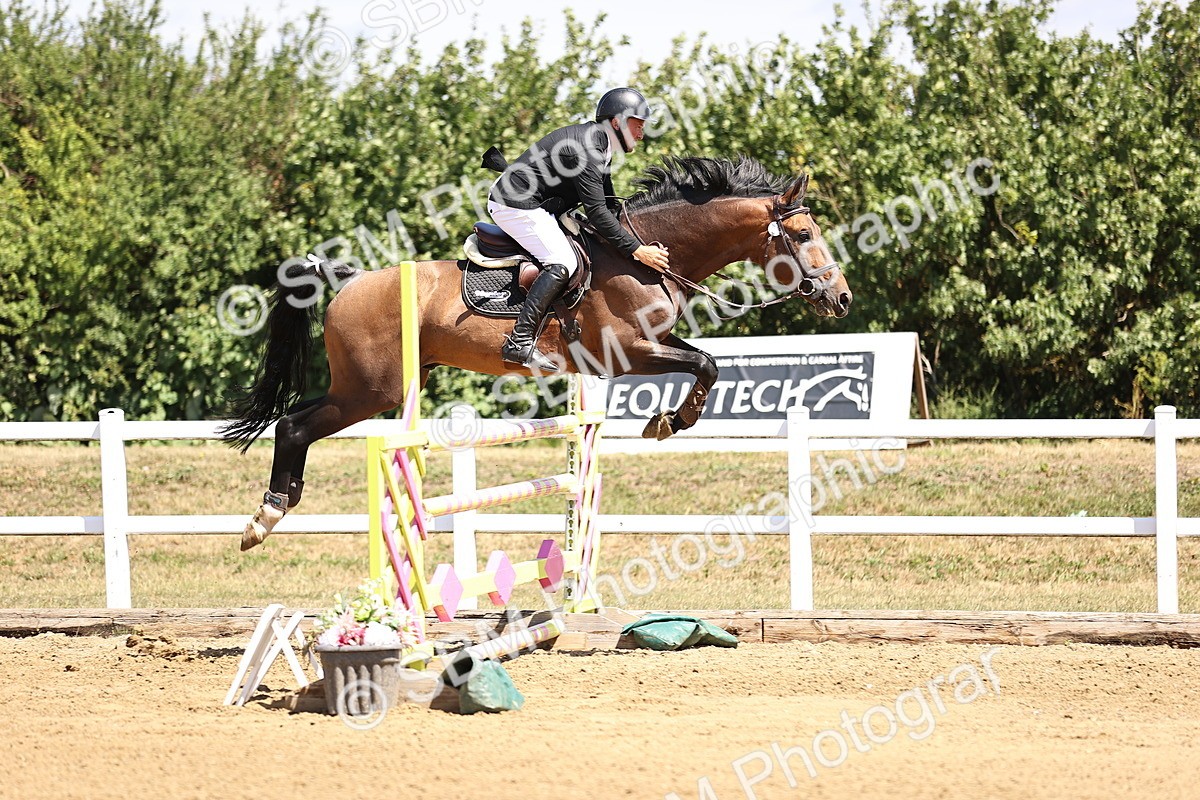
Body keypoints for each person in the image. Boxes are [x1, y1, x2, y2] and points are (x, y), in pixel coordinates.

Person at [487, 87, 672, 372]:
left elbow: (608, 205)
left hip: (538, 205)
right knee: (564, 261)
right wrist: (637, 251)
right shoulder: (589, 149)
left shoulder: (601, 145)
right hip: (514, 205)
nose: (642, 133)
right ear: (616, 122)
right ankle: (519, 341)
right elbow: (596, 213)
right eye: (638, 124)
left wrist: (641, 242)